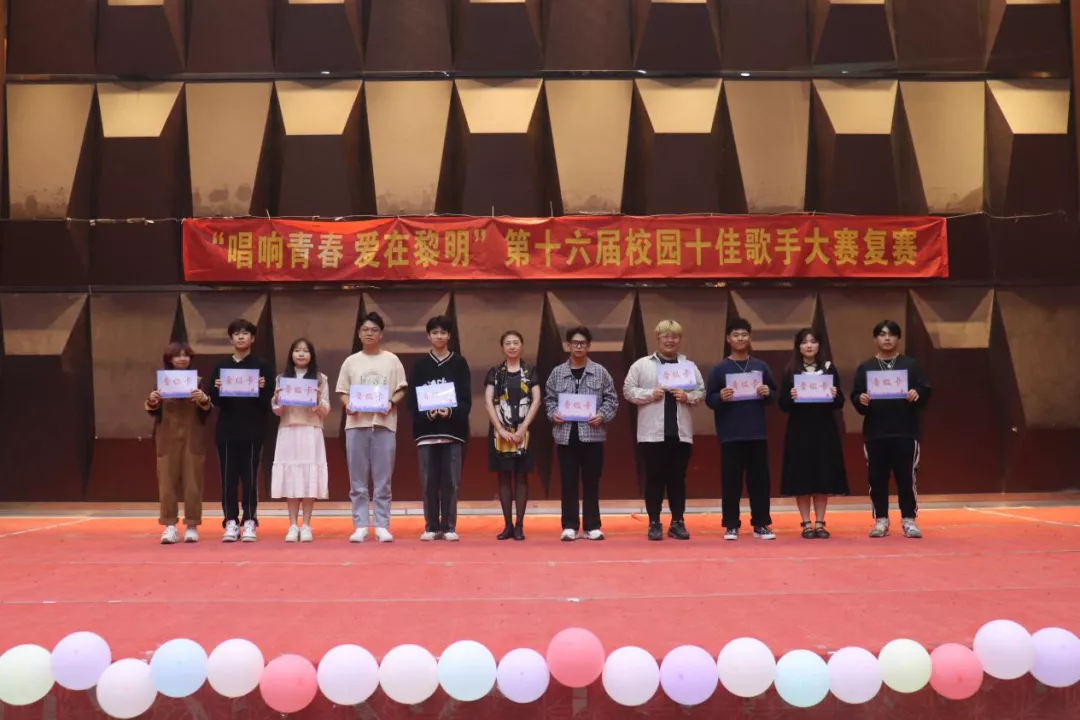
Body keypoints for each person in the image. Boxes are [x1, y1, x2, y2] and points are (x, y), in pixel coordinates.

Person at [623, 320, 705, 541]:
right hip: (651, 434)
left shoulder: (688, 366)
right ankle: (654, 522)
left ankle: (678, 522)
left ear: (680, 339)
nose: (670, 340)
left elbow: (701, 392)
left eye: (674, 336)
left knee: (678, 479)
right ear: (657, 338)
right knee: (654, 479)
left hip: (680, 433)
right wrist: (650, 394)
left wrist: (687, 396)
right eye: (666, 336)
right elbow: (628, 390)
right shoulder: (642, 365)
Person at [852, 320, 932, 539]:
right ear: (875, 339)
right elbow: (856, 396)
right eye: (882, 334)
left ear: (898, 338)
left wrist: (917, 393)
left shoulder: (911, 365)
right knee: (877, 479)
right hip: (875, 433)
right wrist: (861, 399)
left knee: (906, 478)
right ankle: (881, 520)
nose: (887, 338)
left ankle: (909, 520)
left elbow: (925, 390)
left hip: (905, 431)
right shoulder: (866, 367)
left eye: (891, 334)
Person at [336, 312, 408, 544]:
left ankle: (381, 525)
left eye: (374, 330)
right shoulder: (351, 361)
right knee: (357, 479)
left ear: (381, 334)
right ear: (359, 333)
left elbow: (401, 388)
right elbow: (343, 391)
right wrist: (348, 405)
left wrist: (391, 403)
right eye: (365, 329)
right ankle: (360, 525)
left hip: (384, 424)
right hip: (356, 424)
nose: (369, 333)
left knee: (383, 479)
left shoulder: (392, 360)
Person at [544, 326, 619, 541]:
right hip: (565, 436)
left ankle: (592, 526)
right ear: (568, 345)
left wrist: (602, 415)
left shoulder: (600, 372)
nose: (578, 346)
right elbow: (549, 399)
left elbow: (612, 399)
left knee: (591, 482)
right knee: (568, 482)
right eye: (575, 343)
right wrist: (553, 413)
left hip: (592, 436)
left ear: (589, 346)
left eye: (582, 343)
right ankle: (569, 526)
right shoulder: (557, 373)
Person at [705, 318, 778, 541]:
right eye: (735, 335)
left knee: (760, 481)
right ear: (728, 339)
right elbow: (709, 399)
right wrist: (720, 396)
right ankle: (731, 525)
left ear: (749, 338)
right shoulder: (719, 369)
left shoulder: (760, 366)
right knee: (731, 481)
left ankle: (761, 524)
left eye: (744, 334)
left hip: (757, 432)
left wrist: (767, 392)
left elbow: (774, 395)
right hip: (730, 434)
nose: (740, 338)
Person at [777, 328, 849, 539]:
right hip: (799, 430)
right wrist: (791, 396)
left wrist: (835, 394)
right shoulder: (791, 370)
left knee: (822, 474)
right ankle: (806, 523)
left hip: (824, 429)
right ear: (798, 346)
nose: (809, 346)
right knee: (802, 475)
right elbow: (782, 404)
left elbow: (839, 402)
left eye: (813, 341)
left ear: (819, 345)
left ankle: (820, 522)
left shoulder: (828, 368)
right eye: (804, 342)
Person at [407, 315, 472, 542]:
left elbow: (465, 400)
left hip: (453, 432)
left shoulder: (459, 363)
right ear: (428, 336)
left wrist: (449, 412)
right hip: (426, 433)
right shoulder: (420, 365)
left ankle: (449, 526)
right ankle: (431, 526)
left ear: (449, 335)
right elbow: (412, 401)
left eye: (443, 332)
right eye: (435, 333)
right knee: (428, 482)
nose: (439, 336)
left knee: (451, 482)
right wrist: (429, 414)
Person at [209, 318, 272, 543]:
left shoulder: (262, 365)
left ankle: (250, 520)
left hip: (253, 429)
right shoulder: (221, 367)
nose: (241, 337)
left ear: (252, 339)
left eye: (245, 333)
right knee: (228, 478)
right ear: (231, 339)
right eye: (236, 334)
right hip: (227, 430)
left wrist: (263, 388)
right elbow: (213, 402)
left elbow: (269, 400)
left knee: (250, 478)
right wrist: (217, 389)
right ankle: (230, 521)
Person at [145, 342, 211, 544]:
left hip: (192, 436)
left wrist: (204, 399)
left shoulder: (197, 381)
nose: (182, 359)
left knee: (193, 483)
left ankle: (192, 524)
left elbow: (207, 410)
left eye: (186, 355)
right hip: (167, 436)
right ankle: (169, 525)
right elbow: (153, 410)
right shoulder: (162, 382)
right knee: (167, 482)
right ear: (170, 359)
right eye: (177, 355)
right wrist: (153, 400)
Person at [271, 338, 330, 543]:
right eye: (297, 350)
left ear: (311, 355)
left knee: (308, 476)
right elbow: (277, 411)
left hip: (311, 431)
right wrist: (277, 399)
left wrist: (317, 400)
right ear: (291, 354)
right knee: (292, 477)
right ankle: (292, 525)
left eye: (305, 351)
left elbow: (326, 410)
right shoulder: (282, 378)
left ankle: (306, 525)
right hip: (288, 430)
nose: (301, 354)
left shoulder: (320, 379)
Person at [484, 330, 542, 541]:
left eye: (516, 342)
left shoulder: (530, 371)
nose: (512, 346)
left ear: (522, 346)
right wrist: (500, 429)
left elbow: (536, 400)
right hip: (500, 434)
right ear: (502, 348)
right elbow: (488, 401)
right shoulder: (495, 372)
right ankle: (507, 525)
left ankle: (519, 525)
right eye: (508, 343)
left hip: (523, 432)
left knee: (521, 477)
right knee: (504, 477)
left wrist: (523, 428)